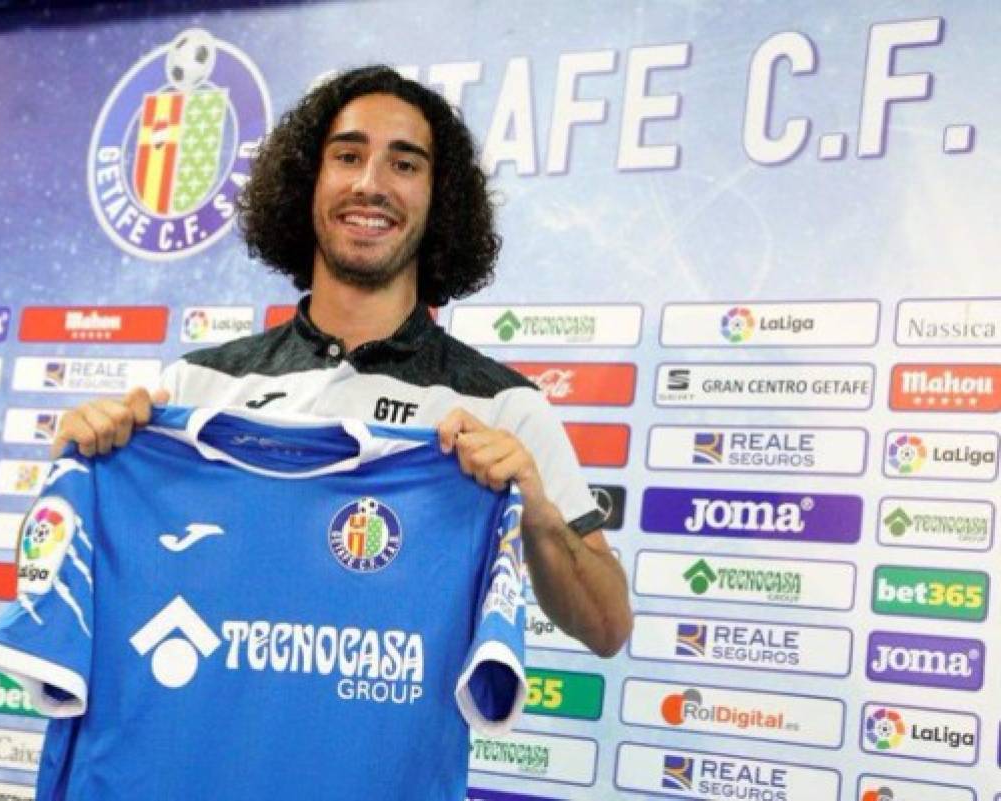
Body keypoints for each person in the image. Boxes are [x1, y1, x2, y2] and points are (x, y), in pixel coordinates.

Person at [53, 65, 632, 658]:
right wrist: (84, 466)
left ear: (440, 201)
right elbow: (67, 577)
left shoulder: (504, 407)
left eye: (404, 165)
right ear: (308, 182)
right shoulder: (193, 385)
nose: (370, 184)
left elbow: (608, 627)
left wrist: (536, 511)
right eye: (348, 157)